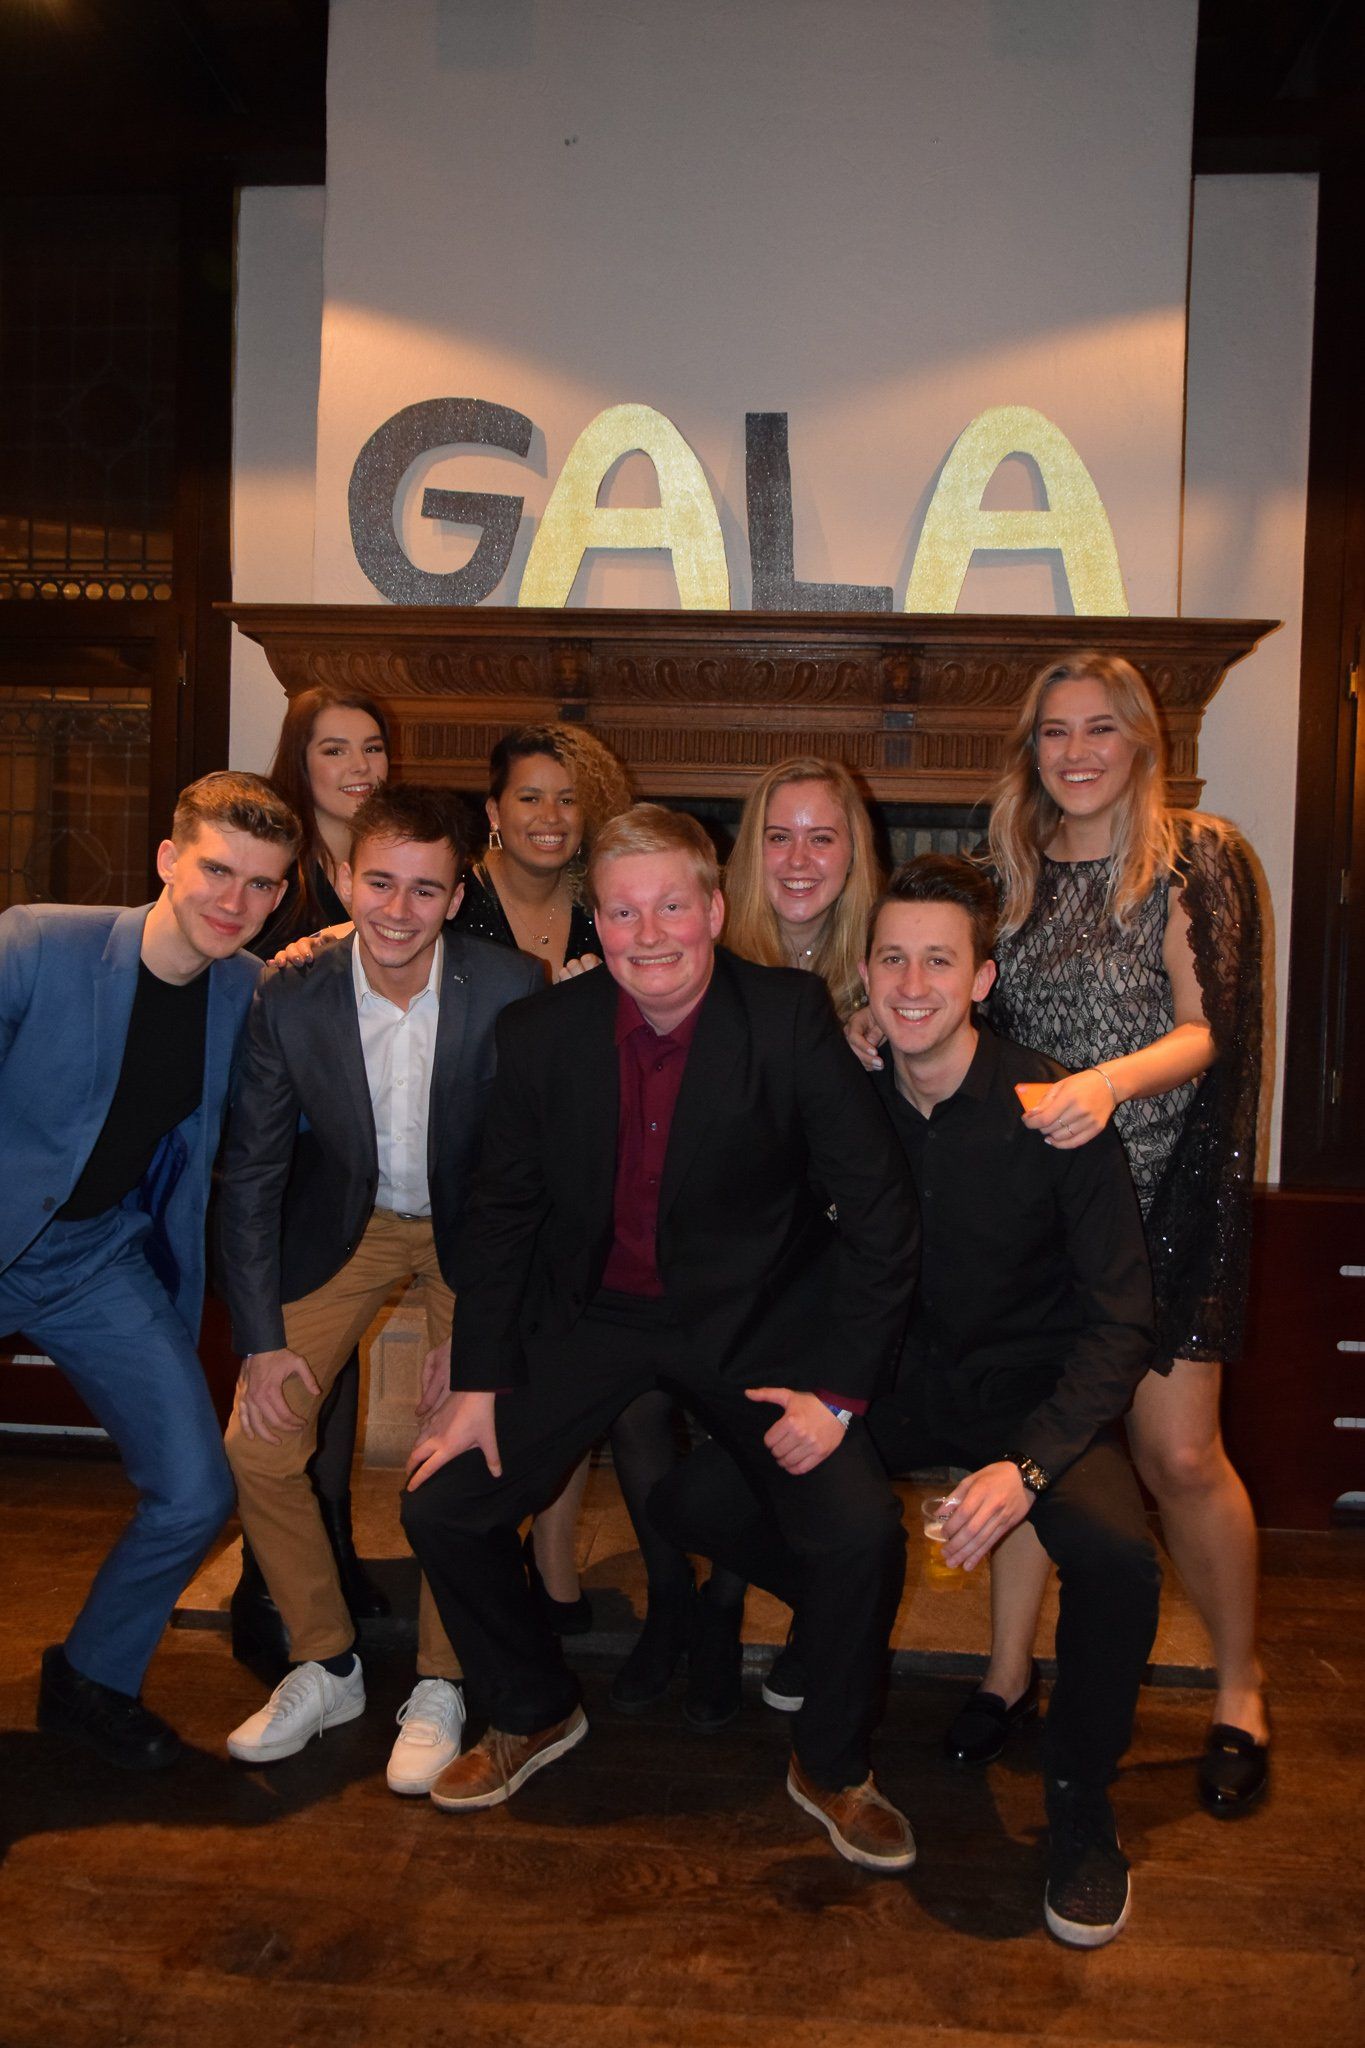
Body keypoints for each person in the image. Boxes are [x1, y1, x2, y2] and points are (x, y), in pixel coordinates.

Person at [401, 804, 920, 1872]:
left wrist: (839, 1393)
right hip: (592, 1317)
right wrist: (477, 1381)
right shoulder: (542, 1032)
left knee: (861, 1529)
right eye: (623, 911)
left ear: (714, 910)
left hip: (754, 1323)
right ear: (596, 921)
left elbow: (880, 1216)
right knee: (442, 1502)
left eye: (671, 906)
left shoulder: (786, 1018)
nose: (648, 934)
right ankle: (533, 1706)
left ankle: (831, 1762)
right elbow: (502, 1216)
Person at [653, 854, 1161, 1946]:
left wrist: (1028, 1467)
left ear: (981, 978)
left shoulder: (1052, 1108)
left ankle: (1080, 1799)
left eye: (939, 960)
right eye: (892, 959)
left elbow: (1122, 1317)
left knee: (1118, 1557)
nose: (913, 983)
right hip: (879, 1385)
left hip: (1026, 1399)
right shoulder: (838, 1094)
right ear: (866, 975)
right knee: (700, 1495)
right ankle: (850, 1613)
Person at [853, 650, 1266, 1815]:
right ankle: (1004, 1671)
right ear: (1030, 748)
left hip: (1162, 1193)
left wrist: (1104, 1086)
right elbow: (951, 992)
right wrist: (872, 1025)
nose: (1076, 751)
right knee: (1037, 1430)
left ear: (1142, 740)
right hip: (1043, 1210)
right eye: (1053, 730)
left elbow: (1212, 1027)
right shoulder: (1013, 867)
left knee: (1179, 1459)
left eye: (1100, 727)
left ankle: (1241, 1685)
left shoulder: (1196, 855)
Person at [217, 783, 542, 1793]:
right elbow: (253, 1169)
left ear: (457, 896)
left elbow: (531, 1170)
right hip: (346, 1225)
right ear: (345, 877)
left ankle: (444, 1676)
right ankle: (326, 1660)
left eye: (426, 890)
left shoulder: (512, 984)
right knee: (258, 1441)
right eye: (380, 883)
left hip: (471, 1232)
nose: (399, 911)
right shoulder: (291, 987)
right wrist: (260, 1337)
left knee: (462, 1442)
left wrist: (477, 1341)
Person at [0, 772, 299, 1769]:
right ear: (168, 859)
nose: (234, 900)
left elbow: (290, 1120)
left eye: (261, 884)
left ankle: (92, 1675)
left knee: (195, 1488)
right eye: (217, 869)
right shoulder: (37, 943)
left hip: (92, 1258)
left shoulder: (247, 990)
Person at [230, 685, 394, 1663]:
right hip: (283, 1150)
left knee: (340, 1370)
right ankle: (268, 1583)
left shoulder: (386, 867)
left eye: (372, 747)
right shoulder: (277, 878)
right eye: (335, 749)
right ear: (300, 757)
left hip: (351, 1154)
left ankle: (331, 1547)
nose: (359, 767)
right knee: (291, 1376)